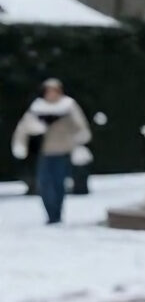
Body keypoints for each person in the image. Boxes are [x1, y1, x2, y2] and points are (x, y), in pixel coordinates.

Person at [12, 78, 92, 225]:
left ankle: (56, 214)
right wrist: (20, 145)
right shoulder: (37, 108)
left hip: (63, 150)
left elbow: (81, 127)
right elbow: (23, 128)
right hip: (44, 152)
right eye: (48, 91)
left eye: (54, 91)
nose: (51, 94)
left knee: (58, 184)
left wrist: (79, 142)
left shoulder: (68, 106)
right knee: (44, 184)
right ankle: (50, 214)